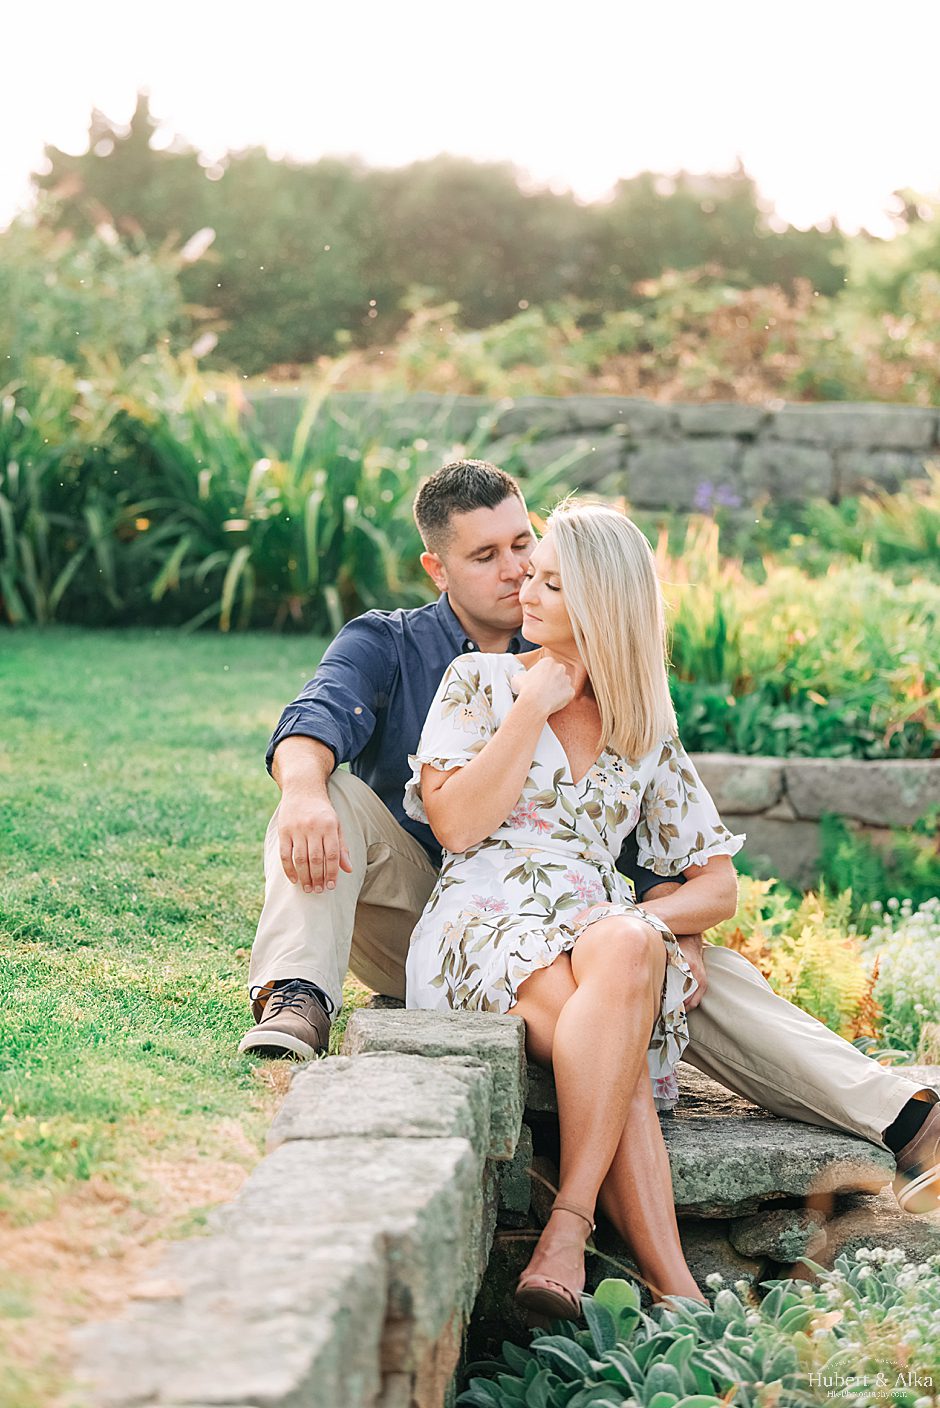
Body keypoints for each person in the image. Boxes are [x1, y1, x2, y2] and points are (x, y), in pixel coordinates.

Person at [240, 458, 940, 1220]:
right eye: (486, 557)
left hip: (567, 929)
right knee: (325, 792)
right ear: (435, 568)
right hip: (426, 907)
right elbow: (317, 717)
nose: (515, 572)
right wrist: (304, 790)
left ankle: (907, 1119)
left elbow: (660, 855)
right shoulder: (396, 645)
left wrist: (672, 925)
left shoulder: (621, 699)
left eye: (524, 546)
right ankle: (298, 997)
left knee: (699, 977)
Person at [406, 500, 746, 1309]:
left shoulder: (643, 724)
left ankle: (578, 1233)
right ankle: (648, 1272)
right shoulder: (480, 682)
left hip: (590, 919)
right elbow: (456, 825)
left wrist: (661, 927)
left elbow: (717, 883)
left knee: (629, 949)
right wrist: (532, 704)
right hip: (484, 915)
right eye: (535, 571)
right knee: (615, 1042)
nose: (525, 583)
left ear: (599, 605)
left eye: (552, 582)